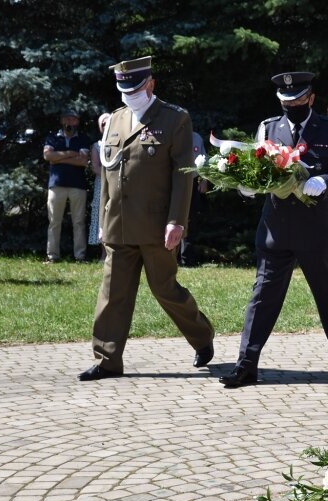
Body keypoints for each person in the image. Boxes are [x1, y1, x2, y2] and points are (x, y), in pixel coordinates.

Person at [79, 56, 215, 381]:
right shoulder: (115, 119)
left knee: (165, 290)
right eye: (124, 89)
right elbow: (109, 174)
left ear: (150, 84)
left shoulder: (174, 118)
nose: (130, 94)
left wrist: (177, 221)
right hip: (118, 225)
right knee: (113, 293)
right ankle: (107, 359)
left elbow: (184, 174)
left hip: (156, 226)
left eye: (136, 88)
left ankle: (202, 336)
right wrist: (102, 218)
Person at [219, 71, 328, 388]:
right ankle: (246, 363)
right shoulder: (269, 128)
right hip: (276, 228)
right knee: (263, 295)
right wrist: (247, 186)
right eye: (285, 100)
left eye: (297, 99)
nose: (291, 104)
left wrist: (325, 182)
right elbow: (255, 168)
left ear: (311, 98)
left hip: (316, 229)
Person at [43, 109, 91, 263]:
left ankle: (80, 256)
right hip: (56, 185)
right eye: (67, 119)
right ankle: (52, 256)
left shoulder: (83, 139)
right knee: (54, 222)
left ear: (78, 122)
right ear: (61, 121)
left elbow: (83, 161)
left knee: (79, 222)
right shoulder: (52, 138)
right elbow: (48, 156)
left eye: (73, 119)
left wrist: (59, 158)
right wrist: (72, 153)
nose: (70, 122)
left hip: (78, 185)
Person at [178, 130, 209, 267]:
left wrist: (204, 180)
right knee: (173, 219)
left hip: (193, 182)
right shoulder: (172, 134)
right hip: (175, 183)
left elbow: (204, 160)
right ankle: (172, 258)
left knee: (190, 221)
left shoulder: (196, 137)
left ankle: (187, 260)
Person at [89, 113, 110, 261]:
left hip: (117, 185)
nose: (106, 125)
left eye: (108, 122)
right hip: (102, 184)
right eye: (103, 123)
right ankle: (103, 254)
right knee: (101, 216)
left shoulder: (121, 143)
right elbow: (95, 168)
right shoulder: (97, 145)